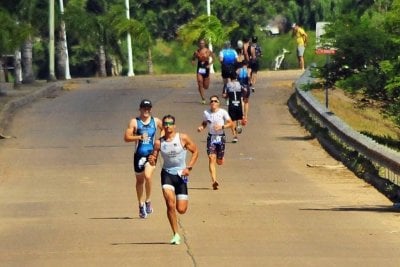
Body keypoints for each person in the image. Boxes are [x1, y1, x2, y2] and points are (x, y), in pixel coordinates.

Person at [148, 115, 198, 245]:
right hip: (167, 174)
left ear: (174, 126)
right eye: (165, 123)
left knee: (181, 209)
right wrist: (152, 160)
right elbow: (153, 158)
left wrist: (189, 167)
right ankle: (175, 234)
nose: (168, 126)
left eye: (170, 123)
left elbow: (195, 151)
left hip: (181, 174)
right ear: (163, 126)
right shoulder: (159, 142)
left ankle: (178, 212)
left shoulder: (183, 138)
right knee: (170, 204)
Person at [124, 99, 163, 219]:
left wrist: (158, 142)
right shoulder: (134, 122)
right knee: (140, 181)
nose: (146, 110)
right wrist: (139, 136)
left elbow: (165, 130)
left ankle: (148, 200)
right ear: (140, 109)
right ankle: (140, 204)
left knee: (148, 176)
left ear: (150, 109)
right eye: (144, 108)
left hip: (151, 154)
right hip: (138, 155)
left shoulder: (155, 121)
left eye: (148, 108)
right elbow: (126, 137)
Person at [197, 95, 233, 190]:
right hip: (211, 138)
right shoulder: (206, 112)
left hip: (221, 137)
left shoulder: (223, 112)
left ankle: (220, 157)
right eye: (211, 101)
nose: (213, 102)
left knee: (219, 162)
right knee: (211, 158)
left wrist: (222, 127)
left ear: (218, 103)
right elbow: (205, 122)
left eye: (215, 101)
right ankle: (214, 181)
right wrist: (201, 127)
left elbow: (231, 123)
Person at [192, 39, 215, 104]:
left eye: (202, 43)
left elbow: (213, 58)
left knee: (206, 86)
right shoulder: (196, 52)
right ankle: (203, 98)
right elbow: (193, 58)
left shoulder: (208, 51)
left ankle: (204, 87)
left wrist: (210, 64)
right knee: (199, 82)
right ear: (199, 44)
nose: (201, 44)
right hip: (199, 69)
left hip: (206, 68)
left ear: (204, 44)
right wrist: (193, 61)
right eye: (200, 43)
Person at [225, 72, 245, 143]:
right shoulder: (240, 84)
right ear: (236, 77)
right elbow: (245, 90)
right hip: (238, 103)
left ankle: (235, 136)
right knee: (238, 118)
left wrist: (227, 96)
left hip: (232, 104)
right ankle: (238, 126)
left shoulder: (227, 85)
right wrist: (241, 95)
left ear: (230, 78)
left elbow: (224, 94)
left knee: (232, 120)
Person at [237, 60, 252, 125]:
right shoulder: (249, 70)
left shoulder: (238, 70)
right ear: (247, 64)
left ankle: (242, 115)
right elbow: (249, 78)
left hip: (239, 86)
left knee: (241, 101)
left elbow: (235, 78)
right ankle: (245, 117)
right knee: (246, 101)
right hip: (246, 86)